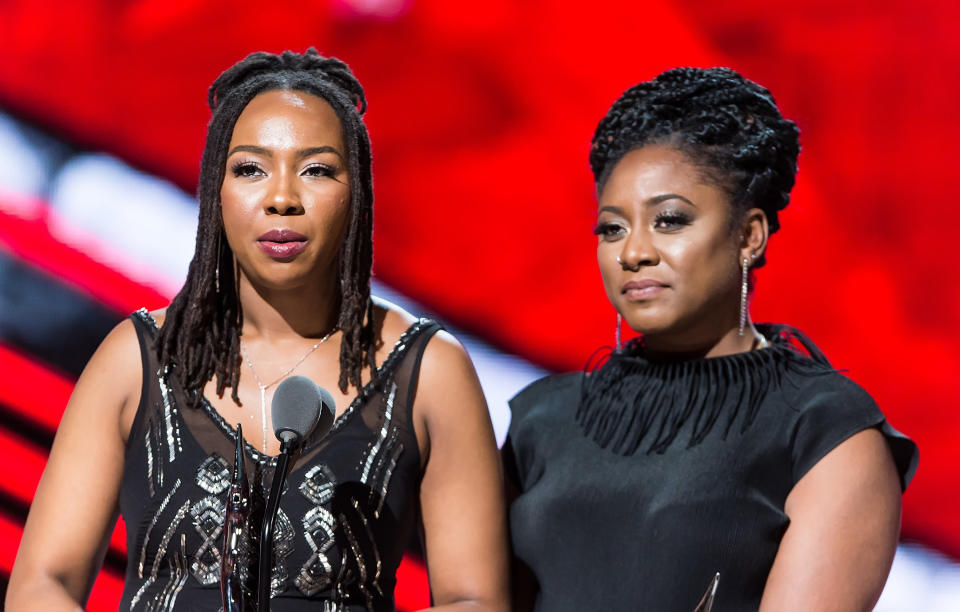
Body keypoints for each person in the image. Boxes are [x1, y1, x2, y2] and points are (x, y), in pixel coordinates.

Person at [6, 49, 509, 612]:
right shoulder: (135, 357)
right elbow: (43, 582)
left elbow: (476, 599)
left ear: (357, 194)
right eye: (250, 169)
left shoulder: (430, 371)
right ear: (215, 190)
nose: (281, 198)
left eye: (316, 169)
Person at [504, 67, 918, 611]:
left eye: (669, 220)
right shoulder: (542, 419)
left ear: (749, 235)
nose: (633, 252)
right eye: (612, 228)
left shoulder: (822, 429)